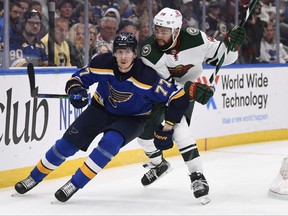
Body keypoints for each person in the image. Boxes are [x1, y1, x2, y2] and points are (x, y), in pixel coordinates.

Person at [13, 32, 202, 203]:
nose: (123, 57)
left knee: (110, 143)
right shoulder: (102, 63)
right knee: (67, 144)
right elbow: (76, 79)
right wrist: (76, 90)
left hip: (133, 119)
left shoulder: (147, 77)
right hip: (100, 109)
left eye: (127, 52)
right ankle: (33, 177)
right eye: (119, 52)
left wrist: (168, 127)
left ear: (135, 54)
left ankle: (74, 184)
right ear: (114, 53)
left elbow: (178, 98)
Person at [138, 7, 245, 203]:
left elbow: (226, 58)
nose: (159, 36)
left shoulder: (196, 39)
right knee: (143, 135)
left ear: (177, 31)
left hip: (183, 97)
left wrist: (232, 44)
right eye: (157, 30)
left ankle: (197, 176)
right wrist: (190, 89)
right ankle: (158, 165)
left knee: (180, 131)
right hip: (157, 95)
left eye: (165, 32)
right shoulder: (149, 51)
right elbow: (165, 85)